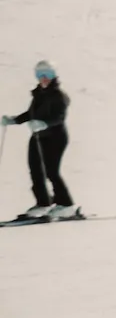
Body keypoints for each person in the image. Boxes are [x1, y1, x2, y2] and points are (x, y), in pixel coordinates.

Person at [8, 60, 72, 221]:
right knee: (36, 171)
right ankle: (44, 203)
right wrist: (14, 120)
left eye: (48, 74)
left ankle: (66, 205)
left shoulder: (59, 95)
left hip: (56, 137)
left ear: (54, 75)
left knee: (51, 171)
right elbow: (31, 114)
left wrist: (44, 124)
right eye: (40, 74)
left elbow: (59, 117)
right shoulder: (38, 94)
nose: (44, 78)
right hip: (38, 137)